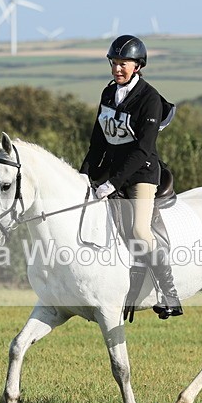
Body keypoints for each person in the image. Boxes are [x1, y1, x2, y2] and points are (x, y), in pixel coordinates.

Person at [79, 34, 182, 319]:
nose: (117, 69)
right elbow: (97, 143)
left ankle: (169, 293)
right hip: (110, 170)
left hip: (141, 174)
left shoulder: (149, 99)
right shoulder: (108, 93)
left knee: (139, 231)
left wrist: (113, 183)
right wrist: (84, 177)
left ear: (137, 66)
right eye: (114, 63)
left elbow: (142, 150)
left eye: (123, 64)